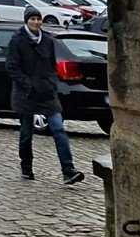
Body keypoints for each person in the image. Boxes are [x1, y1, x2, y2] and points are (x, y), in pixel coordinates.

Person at [5, 10, 85, 185]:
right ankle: (26, 167)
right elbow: (12, 67)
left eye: (38, 19)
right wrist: (28, 85)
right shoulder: (17, 41)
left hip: (47, 93)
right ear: (27, 21)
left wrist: (51, 82)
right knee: (26, 133)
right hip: (26, 94)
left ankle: (68, 169)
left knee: (58, 129)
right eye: (32, 19)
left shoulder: (48, 40)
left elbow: (52, 64)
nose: (36, 22)